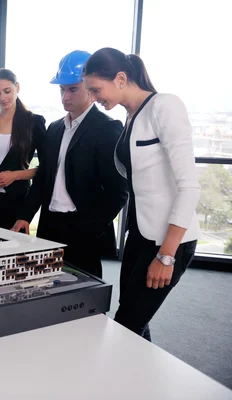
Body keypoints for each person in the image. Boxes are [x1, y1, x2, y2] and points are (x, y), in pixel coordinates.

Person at [83, 47, 200, 340]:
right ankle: (143, 379)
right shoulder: (131, 115)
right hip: (139, 234)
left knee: (127, 325)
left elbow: (189, 187)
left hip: (168, 241)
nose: (94, 99)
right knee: (132, 316)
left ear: (120, 78)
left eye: (96, 90)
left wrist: (167, 256)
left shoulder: (165, 106)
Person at [12, 50, 128, 278]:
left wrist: (91, 228)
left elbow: (119, 192)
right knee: (45, 289)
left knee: (84, 296)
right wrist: (25, 216)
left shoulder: (107, 128)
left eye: (73, 89)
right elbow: (43, 179)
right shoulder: (54, 129)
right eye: (62, 90)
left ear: (90, 87)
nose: (65, 97)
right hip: (50, 226)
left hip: (83, 228)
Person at [0, 68, 46, 230]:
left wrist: (15, 176)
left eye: (7, 91)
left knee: (14, 252)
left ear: (17, 88)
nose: (2, 98)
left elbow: (46, 168)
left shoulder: (34, 122)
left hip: (18, 203)